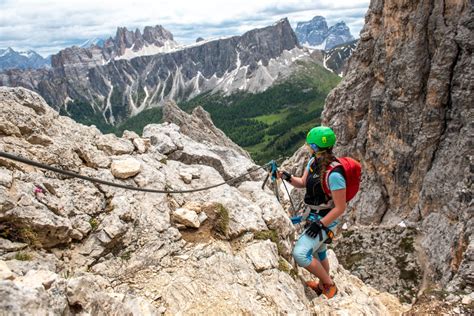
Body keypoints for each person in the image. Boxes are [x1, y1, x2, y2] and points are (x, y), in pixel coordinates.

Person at [278, 126, 346, 299]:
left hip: (325, 220)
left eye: (310, 145)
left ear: (316, 147)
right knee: (319, 251)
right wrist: (286, 176)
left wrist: (321, 224)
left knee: (300, 254)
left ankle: (329, 284)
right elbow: (302, 182)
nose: (308, 147)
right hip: (315, 217)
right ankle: (322, 284)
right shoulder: (313, 162)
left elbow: (340, 207)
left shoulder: (335, 174)